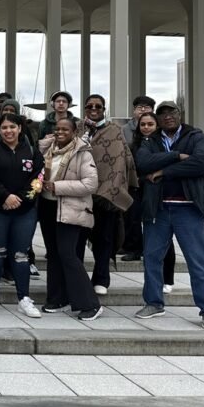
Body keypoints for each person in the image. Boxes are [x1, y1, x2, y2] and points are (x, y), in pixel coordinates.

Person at [133, 101, 204, 329]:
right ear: (158, 119)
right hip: (158, 209)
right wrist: (176, 156)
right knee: (152, 258)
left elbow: (200, 164)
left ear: (179, 114)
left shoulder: (196, 136)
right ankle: (153, 302)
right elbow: (142, 163)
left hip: (188, 209)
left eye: (172, 112)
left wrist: (162, 171)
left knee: (198, 261)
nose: (168, 117)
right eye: (163, 114)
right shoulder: (150, 140)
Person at [0, 112, 44, 318]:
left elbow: (38, 178)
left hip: (25, 211)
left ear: (20, 128)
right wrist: (5, 197)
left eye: (12, 127)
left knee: (21, 255)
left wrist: (20, 199)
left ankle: (24, 298)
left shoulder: (32, 151)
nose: (8, 131)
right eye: (4, 128)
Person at [38, 117, 102, 321]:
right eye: (57, 128)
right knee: (54, 254)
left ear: (74, 131)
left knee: (67, 254)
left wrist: (58, 187)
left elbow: (91, 184)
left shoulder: (82, 153)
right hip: (48, 207)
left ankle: (90, 303)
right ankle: (57, 298)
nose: (60, 132)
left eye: (65, 129)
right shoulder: (47, 150)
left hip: (70, 209)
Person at [76, 94, 136, 296]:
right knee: (77, 239)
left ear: (104, 109)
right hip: (78, 194)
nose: (94, 109)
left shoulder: (114, 131)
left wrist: (111, 189)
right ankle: (77, 279)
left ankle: (101, 278)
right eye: (89, 106)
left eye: (98, 106)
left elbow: (121, 162)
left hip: (106, 194)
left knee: (104, 238)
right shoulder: (77, 128)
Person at [132, 112, 176, 292]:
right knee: (151, 239)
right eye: (143, 125)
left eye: (150, 124)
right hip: (141, 192)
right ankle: (154, 282)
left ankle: (168, 279)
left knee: (166, 240)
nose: (146, 128)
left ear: (157, 126)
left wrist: (169, 158)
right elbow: (141, 164)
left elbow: (152, 163)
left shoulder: (161, 144)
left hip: (160, 193)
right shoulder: (137, 144)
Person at [120, 95, 157, 261]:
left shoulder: (158, 128)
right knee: (131, 214)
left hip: (152, 178)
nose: (143, 110)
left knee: (151, 215)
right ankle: (132, 246)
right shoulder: (125, 129)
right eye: (139, 107)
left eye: (147, 107)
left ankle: (148, 247)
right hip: (132, 177)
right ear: (134, 110)